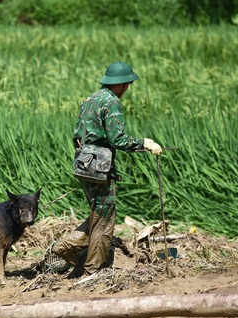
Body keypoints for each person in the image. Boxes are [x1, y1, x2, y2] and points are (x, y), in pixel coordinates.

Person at [52, 61, 162, 276]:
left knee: (97, 212)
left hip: (83, 164)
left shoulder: (89, 100)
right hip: (100, 168)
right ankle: (92, 270)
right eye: (128, 85)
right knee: (105, 218)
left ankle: (64, 249)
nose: (127, 89)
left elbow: (77, 135)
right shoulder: (111, 102)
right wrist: (144, 143)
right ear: (121, 84)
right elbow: (117, 139)